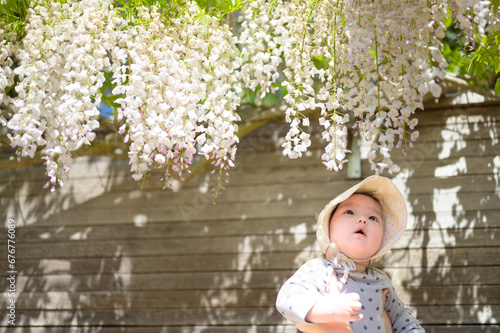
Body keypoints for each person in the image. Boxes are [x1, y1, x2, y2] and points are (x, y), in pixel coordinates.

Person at [276, 176, 424, 332]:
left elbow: (402, 318)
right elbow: (287, 299)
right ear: (328, 228)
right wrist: (326, 308)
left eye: (373, 217)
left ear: (382, 242)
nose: (362, 219)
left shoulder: (381, 281)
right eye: (350, 211)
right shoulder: (321, 270)